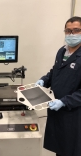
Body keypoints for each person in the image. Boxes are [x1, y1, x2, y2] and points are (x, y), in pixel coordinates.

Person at [35, 16, 81, 156]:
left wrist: (64, 101)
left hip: (74, 114)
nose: (71, 34)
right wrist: (43, 80)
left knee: (73, 149)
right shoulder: (62, 51)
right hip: (57, 111)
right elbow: (55, 71)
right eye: (68, 30)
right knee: (60, 147)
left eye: (76, 30)